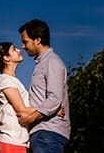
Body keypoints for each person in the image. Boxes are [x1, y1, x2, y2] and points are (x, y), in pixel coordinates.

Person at [17, 19, 71, 152]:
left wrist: (31, 118)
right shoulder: (43, 63)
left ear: (37, 40)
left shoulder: (52, 62)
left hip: (48, 132)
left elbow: (54, 99)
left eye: (25, 41)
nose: (23, 46)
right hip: (43, 133)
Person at [0, 41, 38, 153]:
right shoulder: (6, 80)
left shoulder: (12, 81)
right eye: (14, 49)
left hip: (17, 140)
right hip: (11, 139)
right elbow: (21, 109)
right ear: (6, 58)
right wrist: (51, 111)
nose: (19, 50)